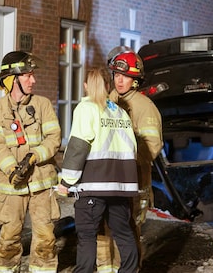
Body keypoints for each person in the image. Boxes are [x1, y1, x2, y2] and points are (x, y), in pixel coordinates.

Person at [0, 51, 62, 273]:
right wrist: (12, 169)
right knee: (9, 240)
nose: (33, 80)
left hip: (41, 185)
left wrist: (34, 156)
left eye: (32, 75)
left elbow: (54, 138)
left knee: (46, 239)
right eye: (27, 75)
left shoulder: (43, 104)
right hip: (11, 187)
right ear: (12, 79)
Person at [58, 67, 139, 273]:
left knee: (86, 236)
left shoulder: (86, 109)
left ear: (86, 85)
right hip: (121, 186)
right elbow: (133, 149)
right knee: (123, 232)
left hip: (94, 185)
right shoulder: (120, 112)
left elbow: (78, 147)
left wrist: (66, 181)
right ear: (108, 85)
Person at [96, 47, 163, 272]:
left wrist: (124, 159)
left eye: (125, 76)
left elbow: (151, 148)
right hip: (106, 181)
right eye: (116, 75)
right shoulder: (105, 102)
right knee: (104, 229)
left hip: (133, 184)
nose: (119, 80)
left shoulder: (145, 108)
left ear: (135, 80)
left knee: (127, 230)